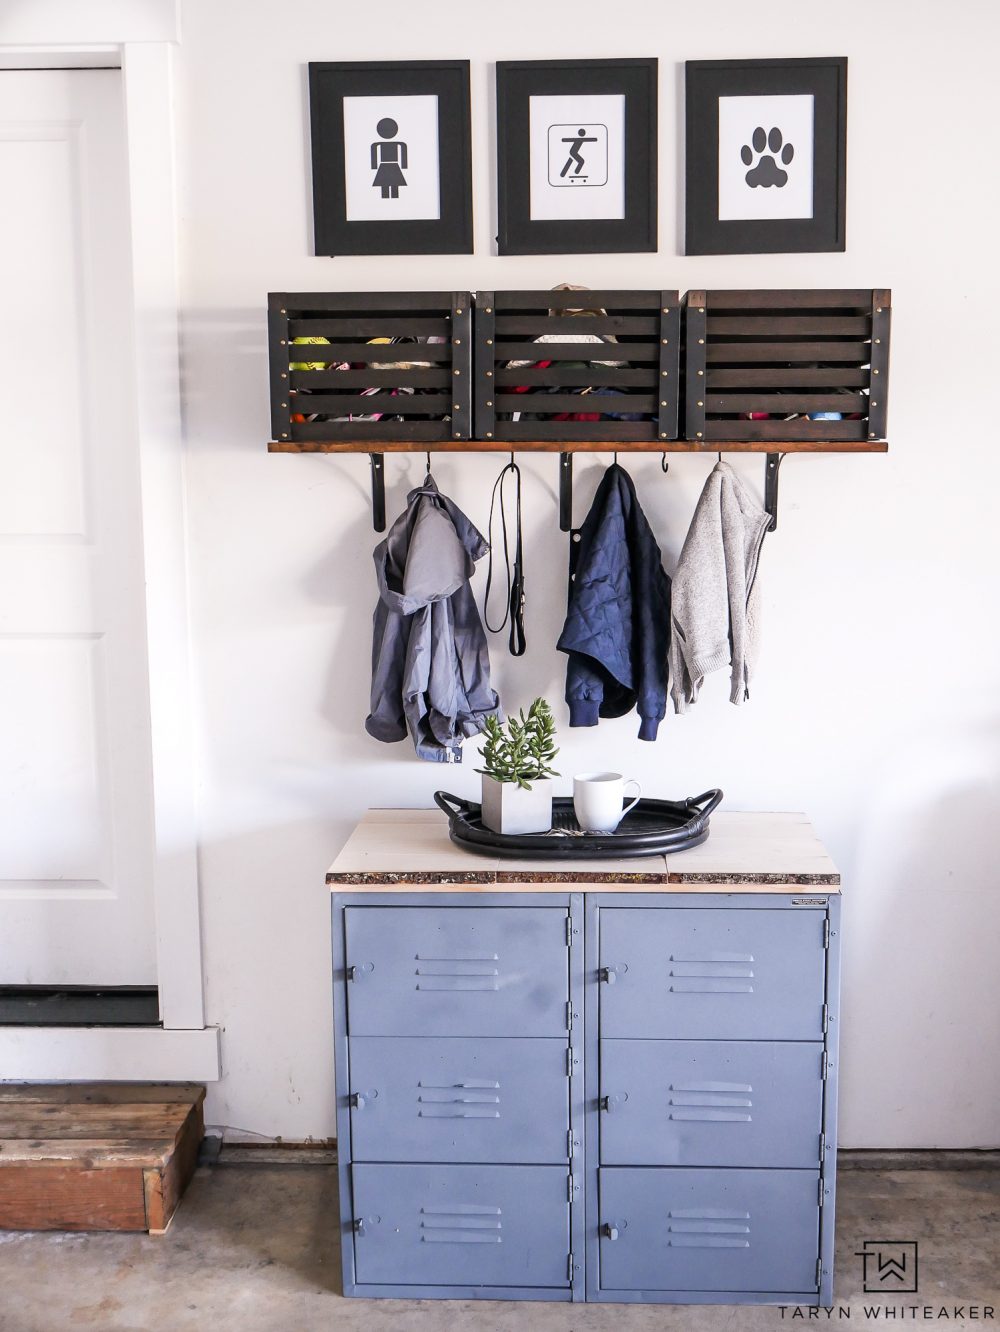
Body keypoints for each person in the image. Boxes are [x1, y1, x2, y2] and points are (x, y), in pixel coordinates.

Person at [371, 117, 408, 198]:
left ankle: (394, 199)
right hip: (385, 166)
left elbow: (403, 148)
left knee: (395, 184)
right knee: (384, 184)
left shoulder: (399, 144)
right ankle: (386, 200)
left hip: (392, 166)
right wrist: (374, 166)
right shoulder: (378, 144)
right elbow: (374, 150)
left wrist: (404, 165)